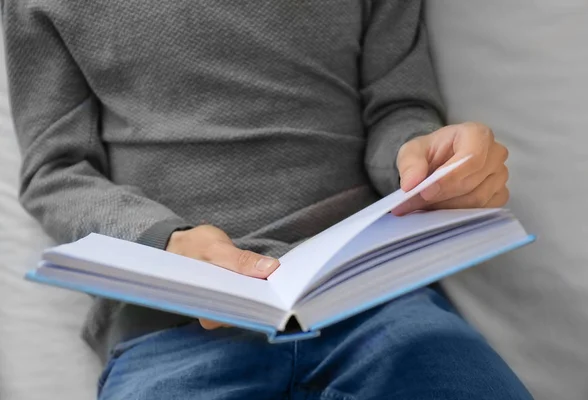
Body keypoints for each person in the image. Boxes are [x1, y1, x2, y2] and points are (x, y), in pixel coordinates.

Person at [3, 0, 532, 399]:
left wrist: (428, 170)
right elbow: (56, 171)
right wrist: (164, 244)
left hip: (373, 296)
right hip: (171, 325)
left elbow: (399, 108)